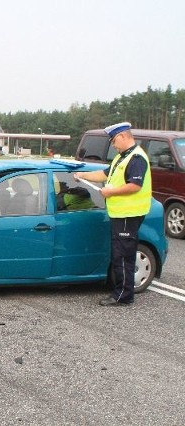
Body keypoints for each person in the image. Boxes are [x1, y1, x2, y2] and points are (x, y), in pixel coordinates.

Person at [73, 122, 152, 306]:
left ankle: (123, 295)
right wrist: (83, 175)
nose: (113, 145)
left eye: (115, 141)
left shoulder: (136, 158)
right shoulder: (122, 157)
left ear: (123, 136)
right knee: (120, 254)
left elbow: (135, 185)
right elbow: (104, 174)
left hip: (128, 215)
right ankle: (122, 292)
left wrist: (110, 192)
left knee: (123, 256)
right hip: (120, 214)